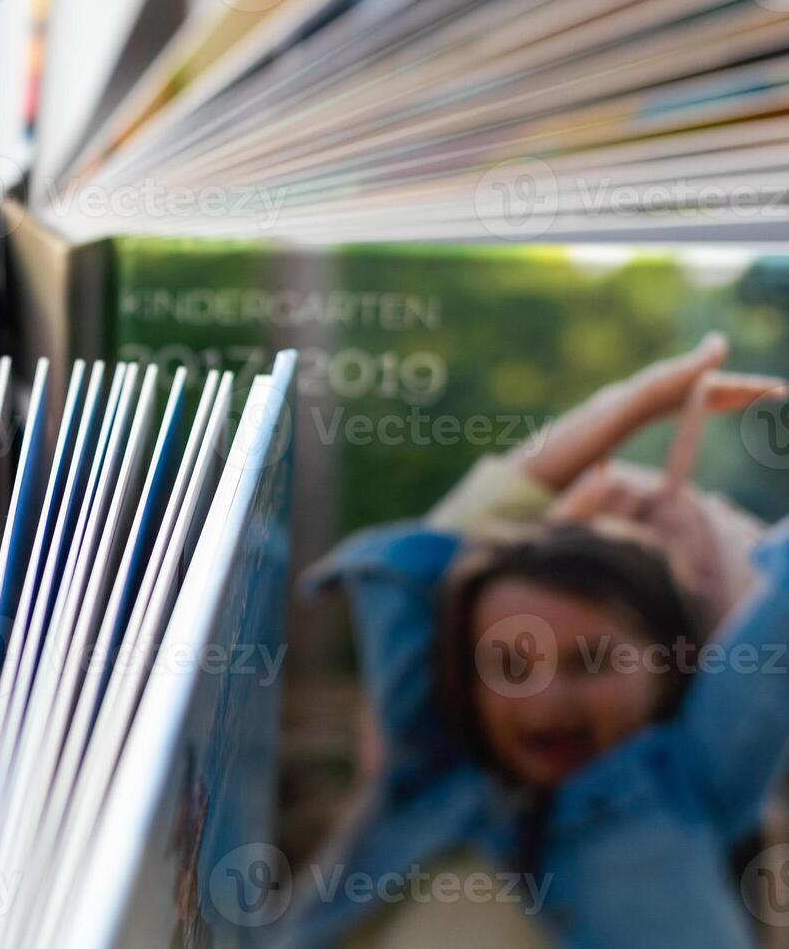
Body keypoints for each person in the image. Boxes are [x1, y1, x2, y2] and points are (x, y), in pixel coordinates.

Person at [292, 334, 789, 947]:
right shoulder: (430, 767)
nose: (548, 704)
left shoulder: (687, 785)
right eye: (508, 666)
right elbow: (416, 572)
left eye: (593, 661)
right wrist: (631, 406)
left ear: (670, 666)